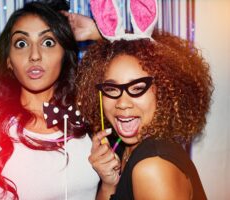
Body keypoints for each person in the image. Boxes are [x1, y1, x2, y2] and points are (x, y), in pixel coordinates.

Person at [0, 1, 101, 199]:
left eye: (48, 42)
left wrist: (96, 31)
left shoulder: (87, 116)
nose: (34, 55)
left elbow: (147, 64)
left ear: (65, 56)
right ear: (8, 60)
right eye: (21, 44)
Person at [75, 1, 213, 197]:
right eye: (112, 88)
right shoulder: (127, 148)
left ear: (164, 91)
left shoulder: (152, 166)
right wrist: (109, 184)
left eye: (138, 88)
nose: (122, 103)